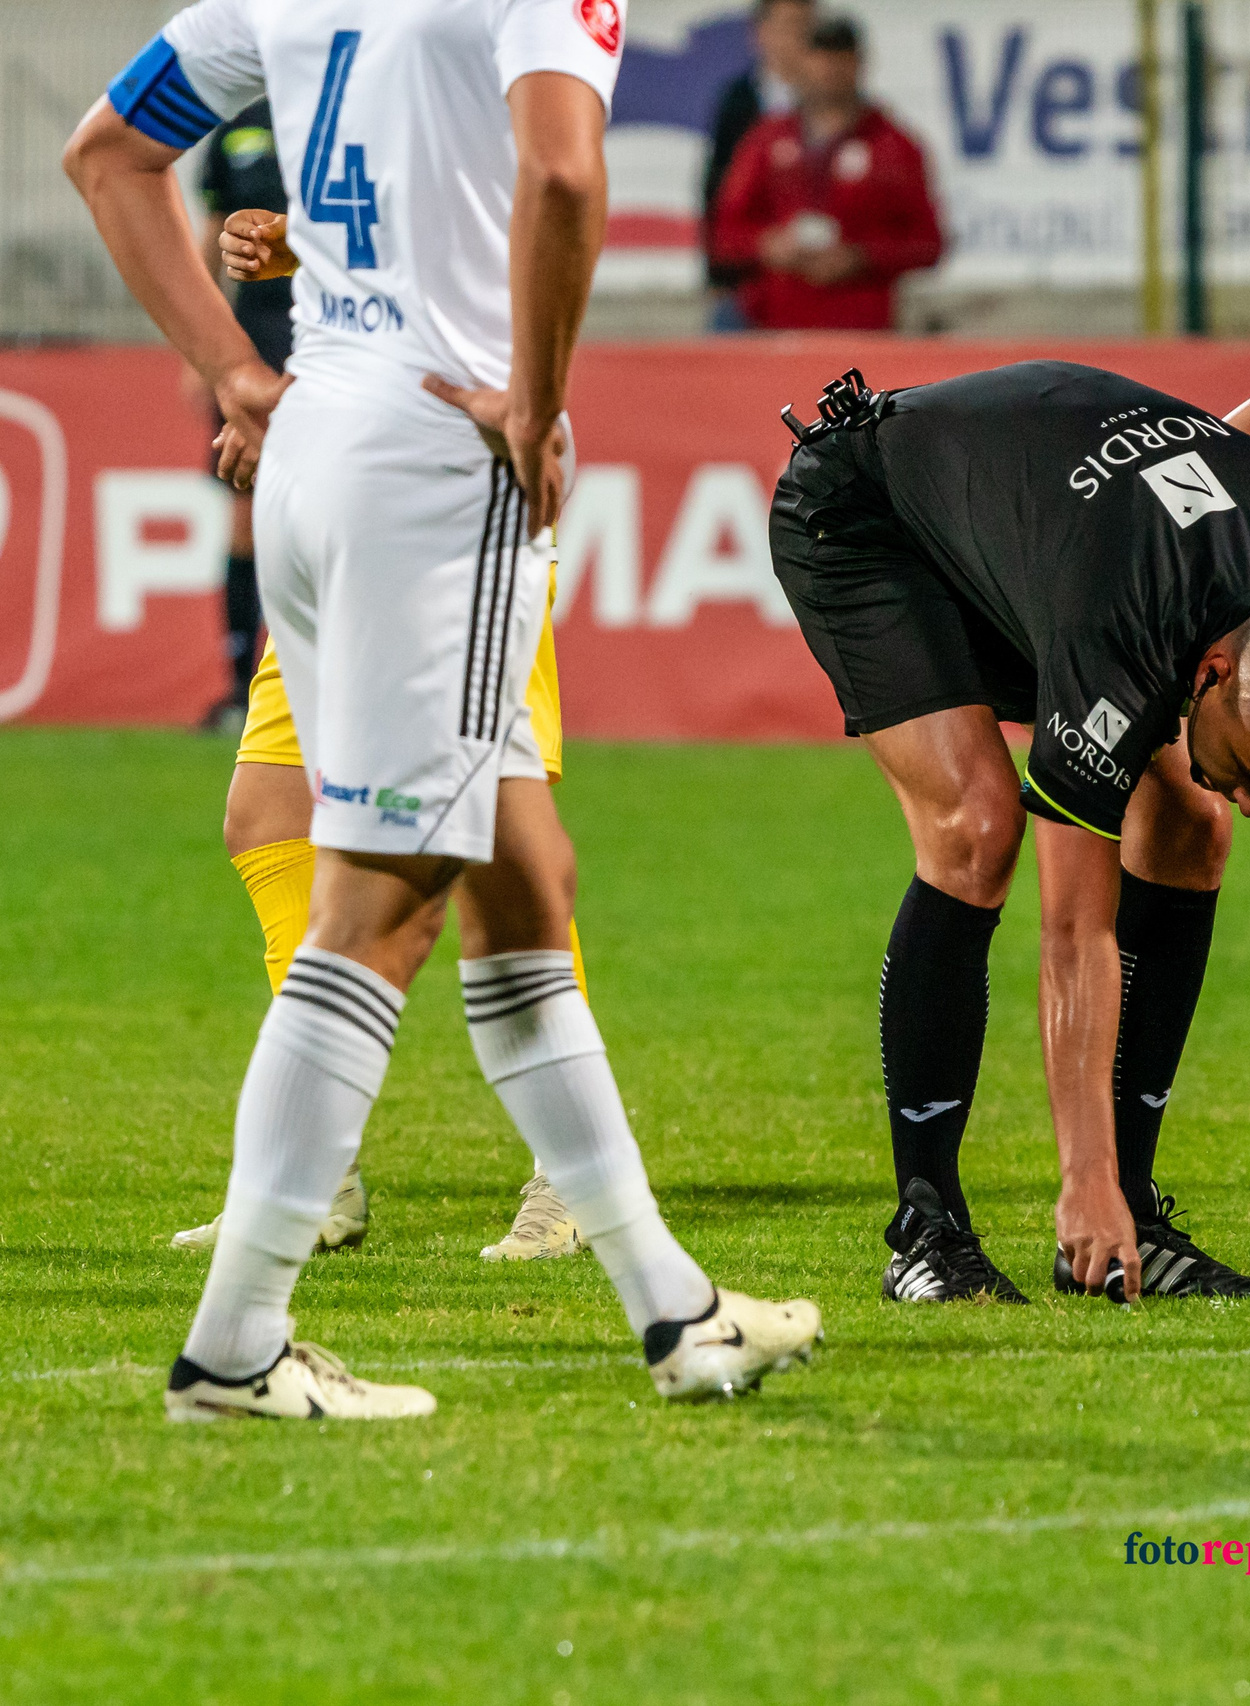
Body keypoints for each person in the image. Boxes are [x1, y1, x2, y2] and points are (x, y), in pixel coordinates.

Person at [67, 0, 819, 1421]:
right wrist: (535, 401)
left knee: (525, 874)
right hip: (437, 459)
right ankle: (234, 1344)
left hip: (313, 447)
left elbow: (108, 152)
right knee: (391, 899)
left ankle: (675, 1306)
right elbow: (565, 173)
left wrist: (235, 367)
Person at [766, 359, 1250, 1305]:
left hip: (1041, 548)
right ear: (1214, 673)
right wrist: (1077, 1174)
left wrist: (1191, 486)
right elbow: (1072, 934)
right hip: (870, 517)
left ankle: (1130, 1220)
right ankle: (926, 1228)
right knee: (977, 828)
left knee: (1192, 828)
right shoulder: (1122, 619)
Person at [167, 203, 588, 1267]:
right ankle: (317, 1176)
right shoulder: (363, 129)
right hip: (342, 516)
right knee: (265, 809)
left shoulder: (483, 110)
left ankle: (571, 1175)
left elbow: (475, 273)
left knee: (504, 842)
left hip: (461, 504)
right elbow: (369, 309)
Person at [710, 15, 943, 333]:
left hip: (861, 328)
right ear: (801, 62)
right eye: (820, 57)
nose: (830, 69)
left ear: (859, 63)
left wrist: (860, 256)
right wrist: (770, 244)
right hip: (774, 328)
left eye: (841, 58)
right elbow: (724, 233)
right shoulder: (765, 140)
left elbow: (928, 242)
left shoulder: (894, 147)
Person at [190, 100, 289, 732]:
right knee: (246, 504)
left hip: (335, 334)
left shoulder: (348, 102)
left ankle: (319, 685)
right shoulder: (236, 126)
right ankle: (239, 686)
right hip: (250, 336)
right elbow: (206, 240)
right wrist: (200, 348)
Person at [702, 0, 814, 331]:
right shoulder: (738, 102)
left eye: (806, 27)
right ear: (760, 33)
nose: (797, 37)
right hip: (751, 274)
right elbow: (716, 190)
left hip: (817, 283)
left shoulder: (835, 101)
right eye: (788, 26)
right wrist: (718, 274)